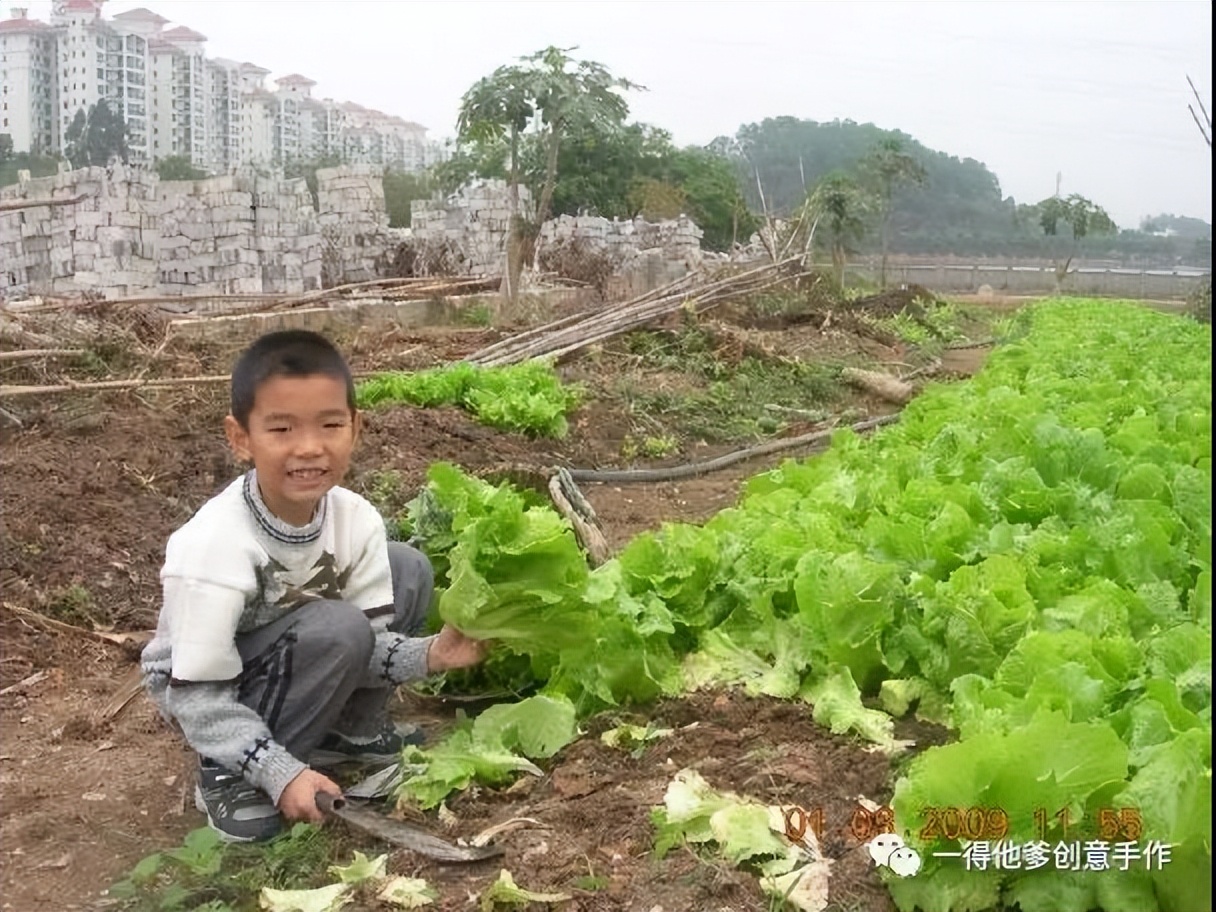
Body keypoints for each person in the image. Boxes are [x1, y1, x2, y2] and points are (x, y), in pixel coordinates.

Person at [140, 329, 487, 842]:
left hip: (300, 645)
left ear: (356, 428)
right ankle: (228, 775)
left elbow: (365, 643)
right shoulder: (214, 546)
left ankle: (350, 731)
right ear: (241, 439)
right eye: (281, 429)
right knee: (336, 623)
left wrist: (432, 654)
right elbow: (196, 694)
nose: (309, 448)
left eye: (329, 425)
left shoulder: (356, 519)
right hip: (206, 687)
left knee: (407, 567)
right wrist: (282, 775)